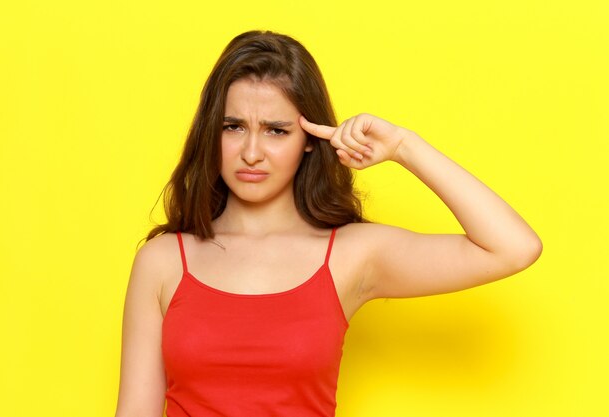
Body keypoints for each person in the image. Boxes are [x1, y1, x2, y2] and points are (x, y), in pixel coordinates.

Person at [114, 30, 542, 417]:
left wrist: (403, 146)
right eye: (233, 126)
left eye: (276, 131)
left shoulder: (352, 255)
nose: (251, 152)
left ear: (308, 140)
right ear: (212, 132)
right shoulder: (163, 261)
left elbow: (513, 247)